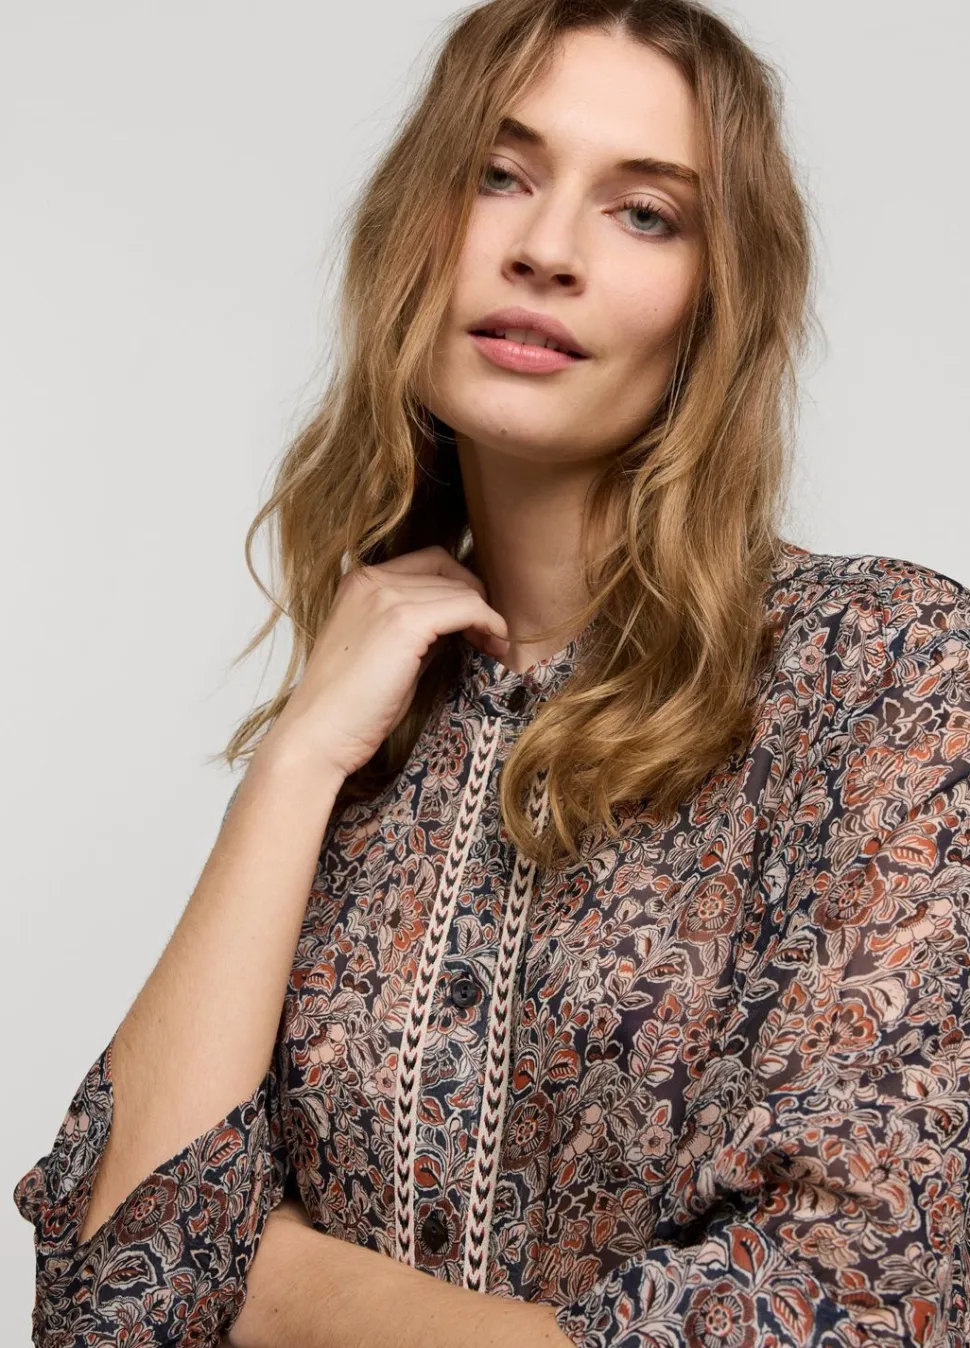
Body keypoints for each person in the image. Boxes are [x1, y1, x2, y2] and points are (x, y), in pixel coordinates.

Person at [14, 0, 970, 1345]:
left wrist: (255, 1291)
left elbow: (841, 1305)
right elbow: (101, 1303)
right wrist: (294, 761)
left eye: (644, 213)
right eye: (499, 175)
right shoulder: (370, 725)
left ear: (718, 299)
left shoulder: (885, 672)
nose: (545, 249)